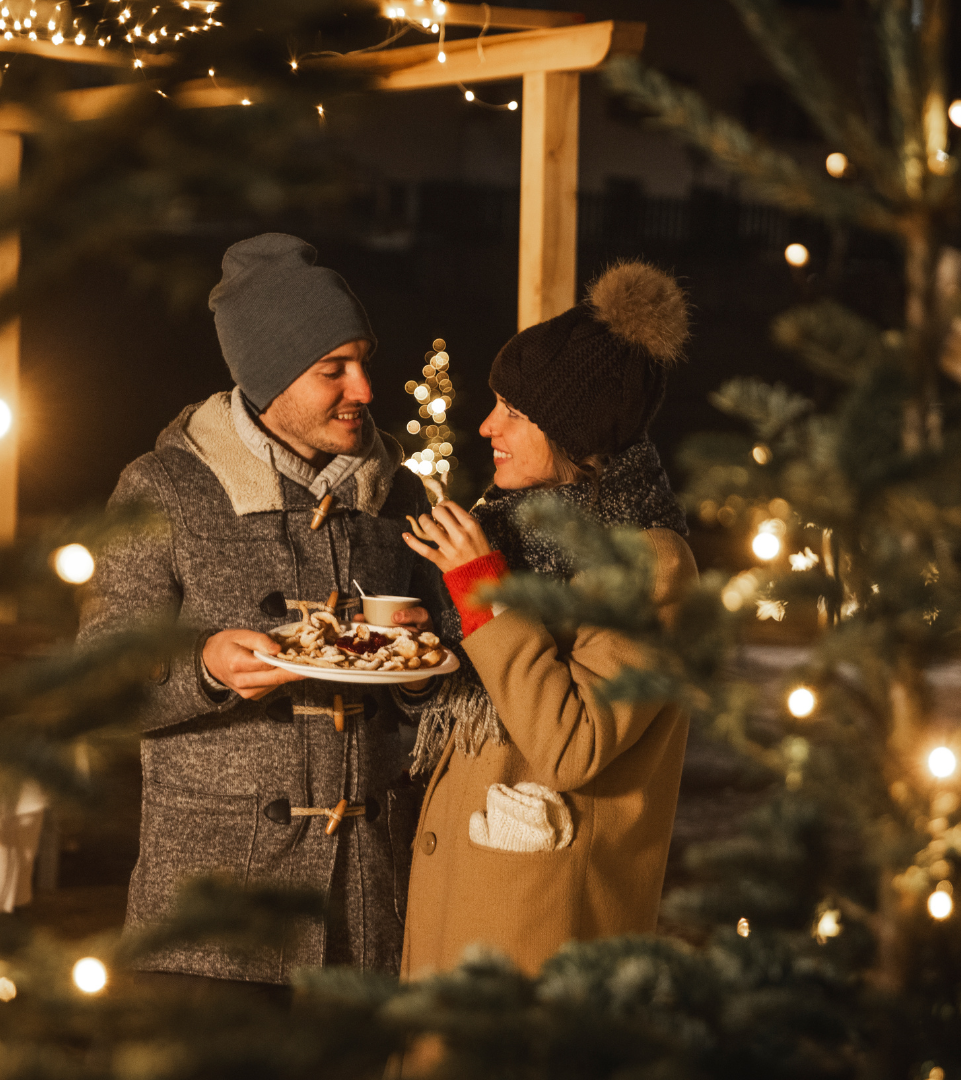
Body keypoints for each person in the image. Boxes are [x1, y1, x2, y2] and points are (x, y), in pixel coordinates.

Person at [78, 233, 444, 988]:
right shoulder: (167, 488)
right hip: (209, 929)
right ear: (267, 374)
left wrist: (416, 674)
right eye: (332, 370)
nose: (366, 390)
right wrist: (205, 668)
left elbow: (446, 686)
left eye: (364, 361)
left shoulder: (399, 498)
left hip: (366, 917)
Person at [397, 261, 699, 979]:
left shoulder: (646, 562)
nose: (486, 424)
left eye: (515, 410)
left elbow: (572, 745)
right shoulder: (513, 527)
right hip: (466, 900)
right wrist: (418, 654)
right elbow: (489, 696)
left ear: (573, 427)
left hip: (539, 926)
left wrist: (482, 591)